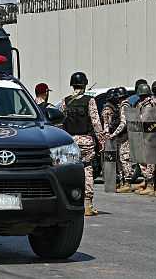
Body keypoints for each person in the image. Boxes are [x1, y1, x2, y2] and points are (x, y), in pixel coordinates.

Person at [61, 71, 108, 216]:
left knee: (69, 171)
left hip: (70, 142)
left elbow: (61, 123)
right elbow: (96, 123)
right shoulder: (90, 100)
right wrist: (102, 141)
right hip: (86, 141)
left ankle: (69, 201)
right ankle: (87, 204)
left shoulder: (66, 101)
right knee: (87, 169)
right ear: (85, 84)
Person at [135, 80, 156, 196]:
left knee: (151, 162)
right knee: (152, 162)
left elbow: (145, 119)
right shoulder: (148, 102)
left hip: (152, 136)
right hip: (148, 135)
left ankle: (152, 184)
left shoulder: (149, 104)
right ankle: (154, 184)